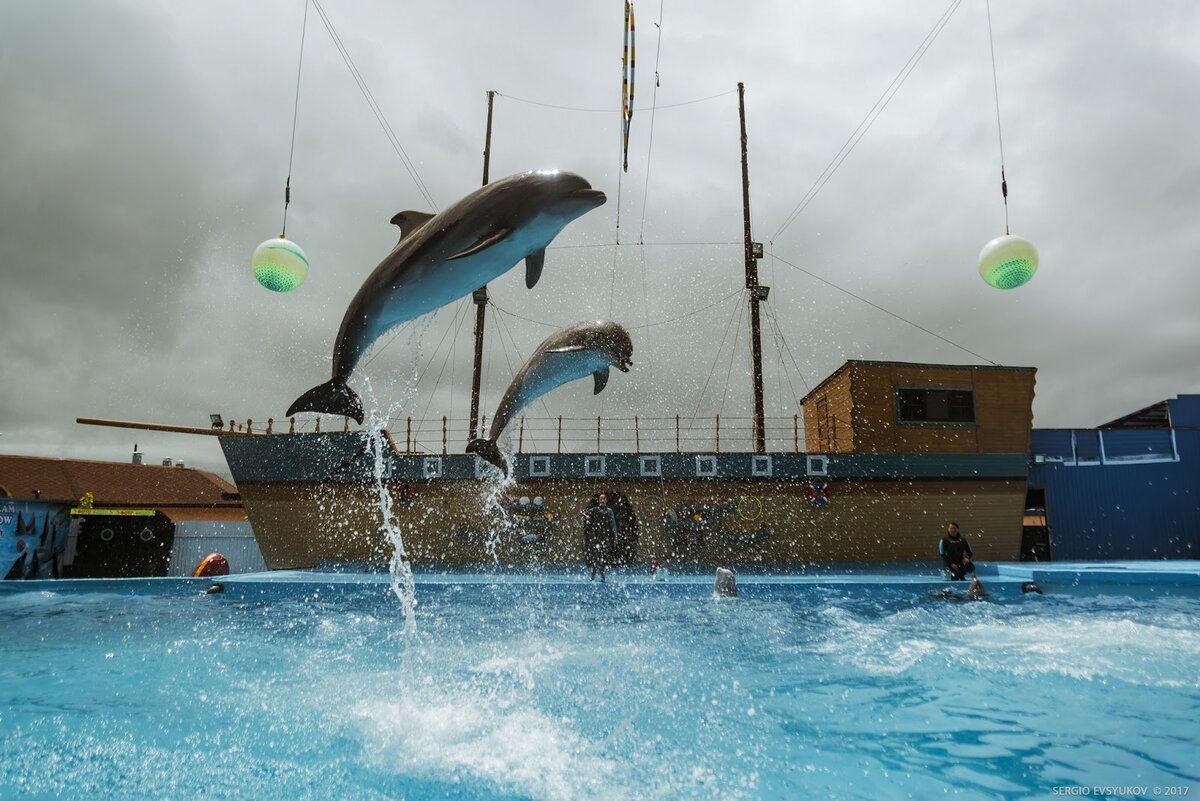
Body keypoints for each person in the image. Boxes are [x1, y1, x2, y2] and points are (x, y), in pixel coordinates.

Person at [582, 493, 617, 582]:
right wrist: (588, 518)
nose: (602, 500)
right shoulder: (594, 510)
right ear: (598, 500)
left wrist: (615, 535)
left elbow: (613, 524)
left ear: (606, 500)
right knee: (594, 556)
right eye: (601, 499)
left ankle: (602, 574)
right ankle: (593, 574)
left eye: (604, 499)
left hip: (605, 537)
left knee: (603, 556)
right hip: (595, 537)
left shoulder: (609, 511)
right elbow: (585, 515)